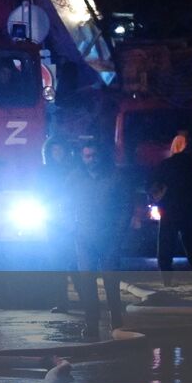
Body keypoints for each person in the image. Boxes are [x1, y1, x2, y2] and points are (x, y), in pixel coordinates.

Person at [70, 143, 130, 339]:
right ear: (81, 157)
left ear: (100, 156)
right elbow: (63, 204)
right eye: (87, 156)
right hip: (84, 237)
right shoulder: (75, 179)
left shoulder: (115, 177)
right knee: (87, 282)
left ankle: (117, 322)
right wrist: (72, 227)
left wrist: (119, 231)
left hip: (109, 236)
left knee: (111, 280)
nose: (91, 159)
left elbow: (126, 205)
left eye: (94, 155)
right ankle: (92, 324)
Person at [149, 133, 192, 281]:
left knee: (166, 247)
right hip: (188, 210)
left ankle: (167, 278)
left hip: (168, 210)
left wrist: (158, 202)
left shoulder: (165, 165)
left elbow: (153, 186)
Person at [40, 137, 76, 312]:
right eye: (54, 151)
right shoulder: (44, 172)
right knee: (57, 264)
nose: (58, 154)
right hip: (53, 223)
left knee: (77, 264)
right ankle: (62, 302)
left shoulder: (75, 171)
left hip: (72, 222)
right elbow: (38, 193)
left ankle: (86, 298)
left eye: (61, 150)